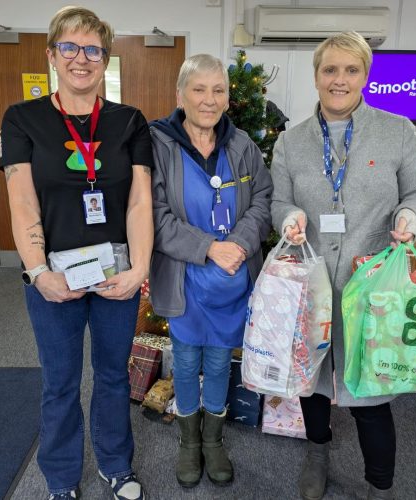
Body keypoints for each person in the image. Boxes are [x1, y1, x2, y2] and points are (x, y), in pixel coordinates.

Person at [270, 32, 416, 500]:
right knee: (315, 384)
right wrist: (289, 218)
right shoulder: (291, 141)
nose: (339, 80)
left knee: (371, 398)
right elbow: (278, 201)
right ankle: (317, 453)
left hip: (372, 288)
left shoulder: (396, 130)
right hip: (315, 287)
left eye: (350, 70)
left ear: (365, 76)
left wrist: (409, 215)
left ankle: (379, 485)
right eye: (330, 70)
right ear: (317, 76)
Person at [0, 6, 153, 500]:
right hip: (54, 277)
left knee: (112, 376)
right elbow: (21, 199)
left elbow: (139, 200)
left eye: (92, 49)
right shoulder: (23, 119)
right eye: (70, 47)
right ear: (52, 54)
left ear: (105, 57)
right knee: (60, 383)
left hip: (115, 274)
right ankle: (62, 479)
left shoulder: (129, 121)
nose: (81, 58)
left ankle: (115, 465)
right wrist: (39, 272)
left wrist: (140, 270)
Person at [149, 54, 272, 488]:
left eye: (218, 90)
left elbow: (262, 200)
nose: (209, 99)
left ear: (227, 96)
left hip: (232, 277)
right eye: (199, 89)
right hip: (184, 276)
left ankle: (214, 441)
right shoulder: (157, 145)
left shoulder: (242, 146)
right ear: (180, 94)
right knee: (185, 361)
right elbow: (155, 216)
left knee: (220, 360)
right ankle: (189, 443)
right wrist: (209, 248)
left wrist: (238, 244)